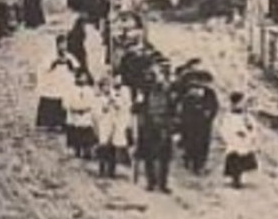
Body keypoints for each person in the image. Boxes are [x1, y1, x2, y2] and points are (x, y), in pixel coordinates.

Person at [133, 65, 176, 193]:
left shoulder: (168, 93)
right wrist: (138, 103)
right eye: (157, 76)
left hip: (164, 127)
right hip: (149, 127)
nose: (160, 79)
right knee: (149, 156)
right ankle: (151, 182)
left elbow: (173, 110)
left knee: (164, 157)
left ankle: (163, 183)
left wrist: (172, 126)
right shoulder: (145, 92)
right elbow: (135, 109)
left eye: (161, 76)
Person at [176, 72, 220, 175]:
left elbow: (215, 106)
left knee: (203, 144)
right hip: (191, 124)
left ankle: (199, 165)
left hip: (205, 124)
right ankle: (189, 160)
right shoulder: (189, 94)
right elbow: (184, 109)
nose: (203, 84)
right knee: (191, 143)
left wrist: (209, 115)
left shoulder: (210, 93)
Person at [35, 36, 78, 131]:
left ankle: (63, 122)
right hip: (53, 81)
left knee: (65, 100)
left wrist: (69, 64)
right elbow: (45, 67)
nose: (63, 47)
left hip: (65, 82)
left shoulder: (69, 56)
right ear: (57, 45)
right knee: (52, 99)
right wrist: (54, 63)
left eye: (65, 44)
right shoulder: (51, 56)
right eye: (61, 44)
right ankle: (49, 122)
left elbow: (75, 67)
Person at [220, 92, 260, 188]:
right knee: (235, 159)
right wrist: (234, 134)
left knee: (244, 159)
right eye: (241, 102)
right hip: (235, 140)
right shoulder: (229, 116)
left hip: (245, 140)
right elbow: (225, 128)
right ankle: (235, 179)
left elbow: (253, 125)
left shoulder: (246, 116)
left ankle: (240, 177)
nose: (243, 104)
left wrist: (250, 131)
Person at [93, 76, 130, 179]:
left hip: (113, 123)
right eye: (104, 86)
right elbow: (96, 113)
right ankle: (102, 168)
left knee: (112, 148)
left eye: (108, 86)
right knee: (103, 146)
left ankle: (111, 170)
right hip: (103, 123)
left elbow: (121, 108)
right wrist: (104, 107)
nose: (107, 88)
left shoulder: (114, 97)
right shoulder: (98, 99)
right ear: (101, 88)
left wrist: (114, 101)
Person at [64, 73, 98, 160]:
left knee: (86, 133)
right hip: (74, 114)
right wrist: (73, 109)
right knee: (75, 132)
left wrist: (86, 109)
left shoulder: (90, 90)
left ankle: (87, 150)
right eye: (80, 78)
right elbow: (66, 102)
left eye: (84, 78)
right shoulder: (70, 89)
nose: (83, 80)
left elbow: (93, 103)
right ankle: (76, 149)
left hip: (86, 114)